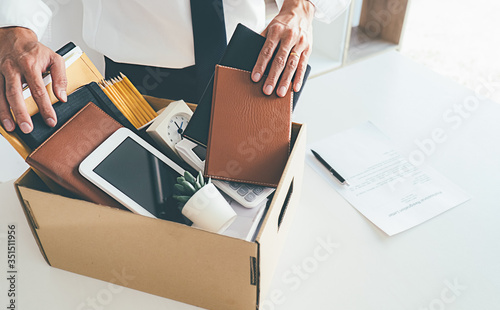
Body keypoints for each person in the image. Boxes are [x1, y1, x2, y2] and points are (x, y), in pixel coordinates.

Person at [0, 0, 350, 134]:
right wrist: (13, 27)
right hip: (140, 72)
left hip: (258, 55)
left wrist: (302, 6)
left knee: (246, 193)